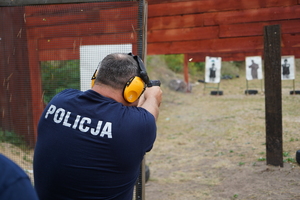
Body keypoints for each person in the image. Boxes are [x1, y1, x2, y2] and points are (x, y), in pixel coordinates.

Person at [33, 53, 162, 200]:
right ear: (134, 88)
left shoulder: (60, 100)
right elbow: (147, 114)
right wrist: (151, 96)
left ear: (96, 77)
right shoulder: (138, 125)